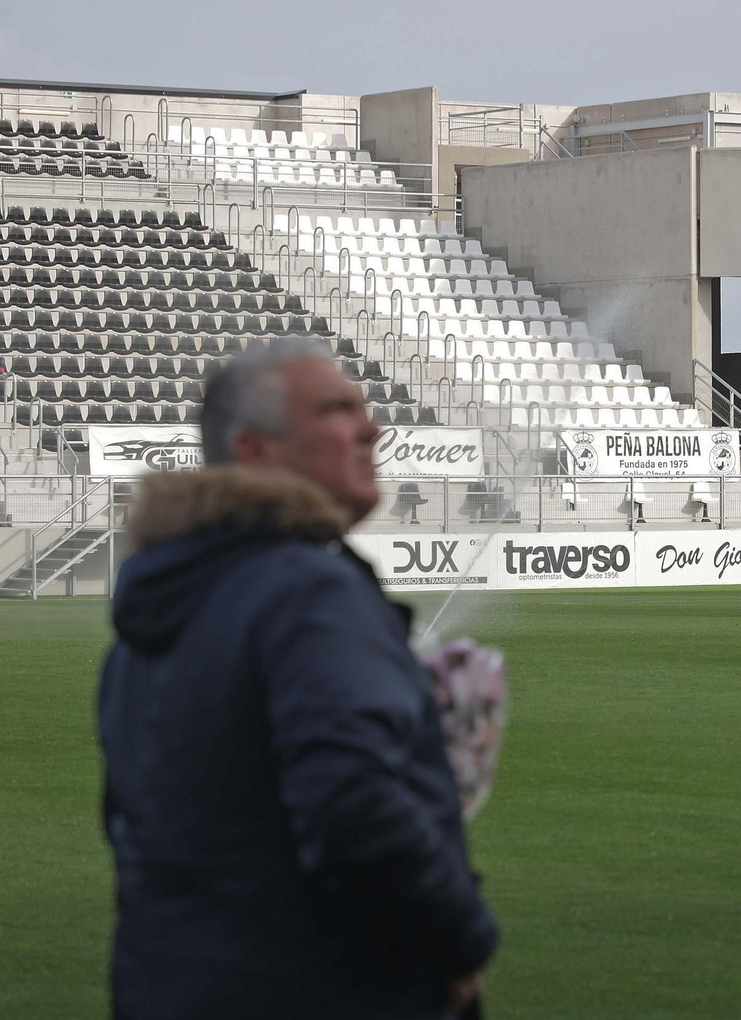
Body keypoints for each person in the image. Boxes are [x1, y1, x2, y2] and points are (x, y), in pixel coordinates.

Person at [98, 339, 498, 1020]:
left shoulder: (162, 604)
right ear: (254, 450)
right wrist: (461, 941)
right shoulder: (308, 591)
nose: (373, 429)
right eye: (336, 410)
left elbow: (132, 826)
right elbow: (354, 808)